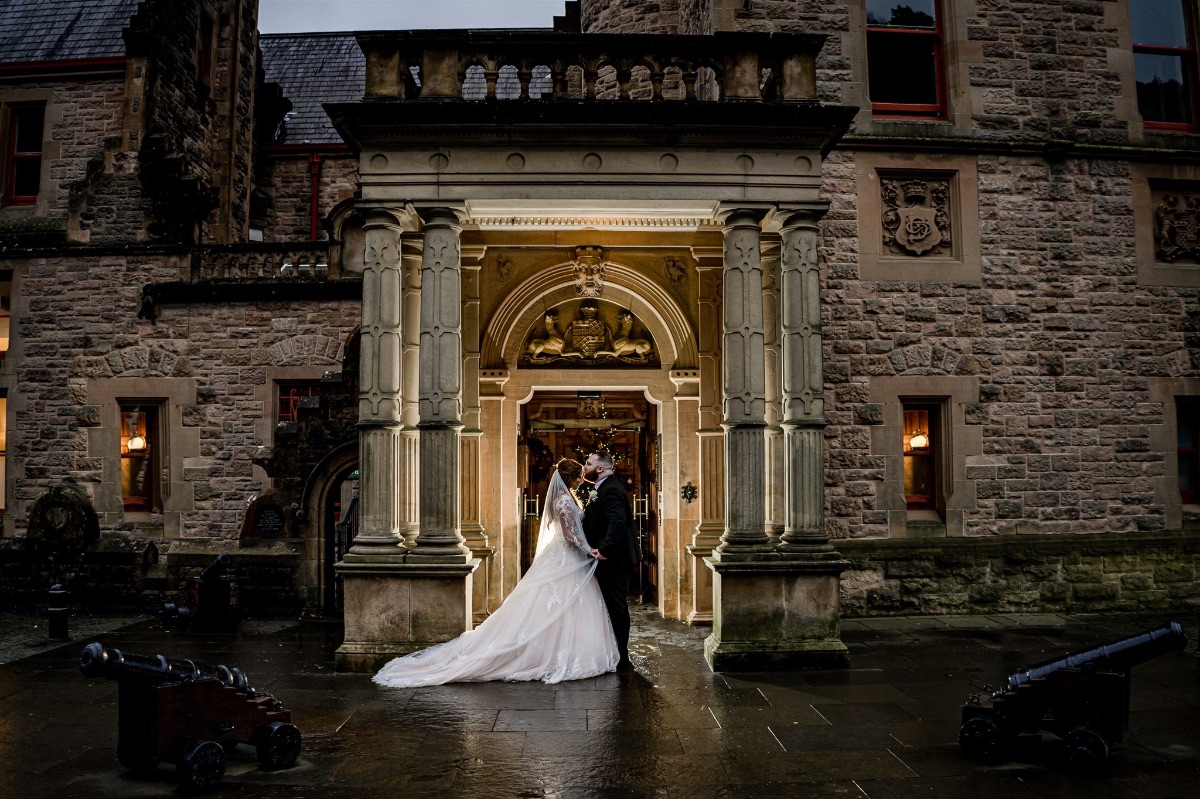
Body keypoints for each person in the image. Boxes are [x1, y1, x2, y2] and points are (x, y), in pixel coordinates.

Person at [373, 458, 618, 687]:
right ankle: (550, 653)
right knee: (556, 603)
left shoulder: (567, 497)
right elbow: (568, 533)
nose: (580, 479)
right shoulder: (564, 500)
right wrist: (588, 548)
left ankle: (559, 649)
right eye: (577, 477)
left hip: (565, 556)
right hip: (565, 555)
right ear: (570, 478)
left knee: (561, 604)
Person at [581, 451, 639, 670]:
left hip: (615, 560)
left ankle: (622, 658)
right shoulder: (603, 487)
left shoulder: (611, 489)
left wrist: (604, 550)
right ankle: (614, 652)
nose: (584, 466)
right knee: (611, 605)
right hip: (611, 559)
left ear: (601, 468)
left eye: (588, 463)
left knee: (616, 606)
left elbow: (617, 522)